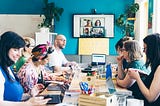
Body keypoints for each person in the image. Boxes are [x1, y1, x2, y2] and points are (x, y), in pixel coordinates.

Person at [0, 31, 50, 105]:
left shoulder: (8, 68)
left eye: (20, 50)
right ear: (5, 49)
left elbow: (13, 97)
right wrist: (27, 104)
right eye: (15, 50)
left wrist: (29, 94)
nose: (19, 54)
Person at [127, 33, 160, 106]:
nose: (144, 51)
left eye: (145, 48)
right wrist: (144, 74)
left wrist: (137, 78)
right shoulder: (156, 65)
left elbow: (151, 97)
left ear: (152, 49)